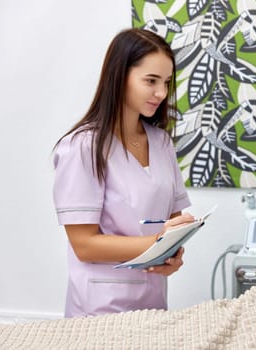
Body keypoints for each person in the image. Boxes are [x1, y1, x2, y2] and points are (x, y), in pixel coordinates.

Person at [52, 28, 195, 318]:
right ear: (119, 76)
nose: (161, 93)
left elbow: (172, 219)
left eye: (166, 82)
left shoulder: (161, 142)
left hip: (153, 303)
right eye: (151, 81)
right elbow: (84, 245)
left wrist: (174, 252)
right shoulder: (82, 147)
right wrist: (157, 244)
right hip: (100, 308)